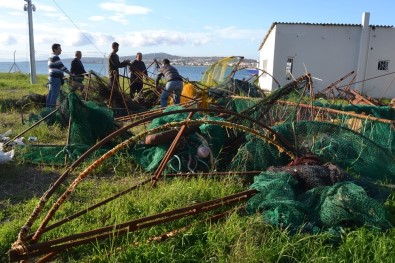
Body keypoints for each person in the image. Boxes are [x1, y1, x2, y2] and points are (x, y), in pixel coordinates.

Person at [47, 43, 71, 108]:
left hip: (51, 77)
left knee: (50, 93)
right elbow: (62, 67)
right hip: (55, 78)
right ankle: (51, 110)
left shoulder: (50, 56)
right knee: (54, 94)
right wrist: (70, 73)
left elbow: (57, 68)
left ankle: (48, 108)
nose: (61, 50)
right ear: (55, 49)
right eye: (59, 49)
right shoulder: (55, 57)